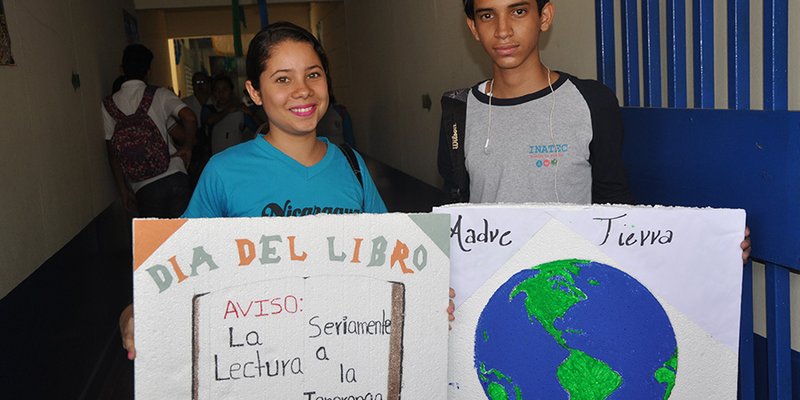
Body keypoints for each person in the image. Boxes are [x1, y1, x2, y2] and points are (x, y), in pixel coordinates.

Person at [120, 22, 455, 360]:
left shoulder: (351, 165)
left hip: (345, 359)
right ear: (254, 92)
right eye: (283, 79)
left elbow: (395, 267)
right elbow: (174, 271)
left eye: (313, 74)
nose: (303, 90)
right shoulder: (223, 172)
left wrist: (433, 297)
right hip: (259, 361)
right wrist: (134, 313)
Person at [439, 0, 751, 260]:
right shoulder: (459, 113)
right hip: (491, 295)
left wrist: (711, 246)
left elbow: (618, 209)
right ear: (473, 28)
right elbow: (453, 220)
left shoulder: (591, 101)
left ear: (544, 16)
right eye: (487, 15)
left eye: (518, 11)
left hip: (574, 289)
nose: (503, 30)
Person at [103, 44, 196, 218]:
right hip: (174, 175)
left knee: (158, 243)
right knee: (183, 239)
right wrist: (188, 147)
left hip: (143, 187)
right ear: (148, 71)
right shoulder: (159, 94)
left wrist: (123, 190)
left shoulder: (108, 105)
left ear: (121, 69)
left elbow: (113, 153)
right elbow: (190, 118)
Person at [204, 74, 249, 155]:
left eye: (225, 89)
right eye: (217, 90)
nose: (221, 93)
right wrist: (228, 110)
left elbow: (259, 128)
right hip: (216, 159)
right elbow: (209, 120)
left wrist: (250, 113)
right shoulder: (209, 109)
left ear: (231, 91)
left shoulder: (240, 112)